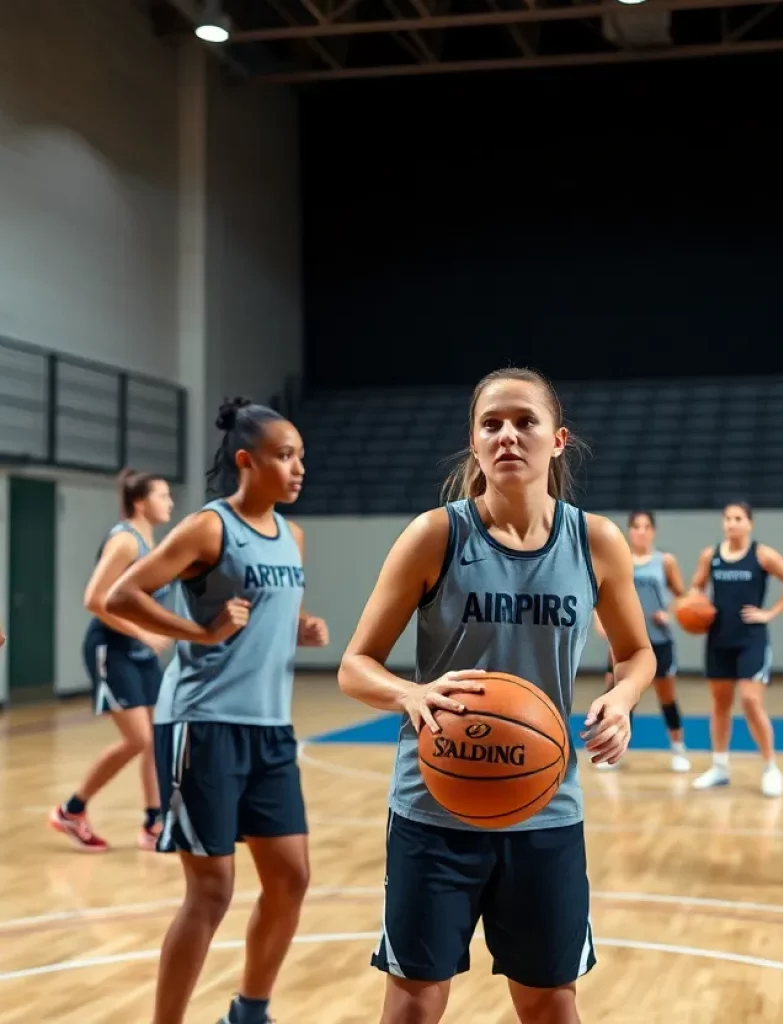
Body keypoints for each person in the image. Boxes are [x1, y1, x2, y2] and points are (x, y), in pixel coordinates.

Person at [338, 366, 656, 1024]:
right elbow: (355, 665)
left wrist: (622, 700)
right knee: (416, 1002)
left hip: (546, 808)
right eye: (492, 424)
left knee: (548, 1002)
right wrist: (410, 695)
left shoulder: (595, 541)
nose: (508, 435)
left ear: (558, 440)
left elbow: (637, 654)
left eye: (525, 421)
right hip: (434, 810)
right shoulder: (435, 535)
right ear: (475, 443)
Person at [105, 398, 329, 1024]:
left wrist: (298, 629)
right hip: (202, 725)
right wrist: (196, 634)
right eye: (285, 457)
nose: (297, 469)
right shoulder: (209, 527)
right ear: (245, 462)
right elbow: (124, 594)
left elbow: (263, 620)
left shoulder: (294, 534)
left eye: (301, 458)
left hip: (270, 729)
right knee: (212, 892)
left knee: (290, 879)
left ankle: (248, 1013)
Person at [49, 470, 175, 852]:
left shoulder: (153, 543)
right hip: (112, 649)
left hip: (138, 653)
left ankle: (154, 823)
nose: (170, 502)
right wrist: (144, 634)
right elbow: (94, 599)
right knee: (137, 739)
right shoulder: (124, 541)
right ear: (140, 502)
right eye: (163, 496)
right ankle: (71, 811)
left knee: (156, 739)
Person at [687, 502, 783, 798]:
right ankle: (719, 767)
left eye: (738, 518)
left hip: (751, 639)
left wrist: (769, 613)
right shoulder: (709, 556)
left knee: (751, 702)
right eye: (727, 518)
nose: (731, 523)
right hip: (718, 638)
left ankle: (770, 767)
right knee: (720, 704)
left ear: (749, 524)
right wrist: (696, 605)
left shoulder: (762, 555)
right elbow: (696, 587)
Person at [591, 510, 689, 772]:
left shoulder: (665, 561)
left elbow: (681, 596)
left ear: (653, 531)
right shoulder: (619, 558)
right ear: (630, 531)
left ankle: (679, 750)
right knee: (620, 694)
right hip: (625, 641)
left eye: (646, 527)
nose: (641, 531)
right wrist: (599, 621)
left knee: (666, 695)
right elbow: (601, 592)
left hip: (658, 639)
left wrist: (668, 613)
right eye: (636, 527)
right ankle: (613, 752)